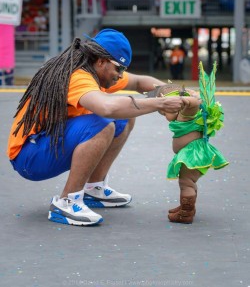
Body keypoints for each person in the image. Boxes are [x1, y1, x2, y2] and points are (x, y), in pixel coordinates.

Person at [7, 28, 186, 227]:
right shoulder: (78, 77)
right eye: (119, 68)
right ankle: (67, 202)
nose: (121, 75)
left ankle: (94, 188)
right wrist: (160, 104)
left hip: (42, 146)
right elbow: (107, 108)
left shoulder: (97, 70)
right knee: (103, 124)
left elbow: (139, 81)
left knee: (124, 118)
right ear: (101, 61)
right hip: (29, 157)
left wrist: (178, 93)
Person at [147, 62, 229, 224]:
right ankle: (187, 207)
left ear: (175, 103)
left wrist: (187, 100)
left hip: (194, 154)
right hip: (192, 153)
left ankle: (186, 213)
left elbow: (195, 103)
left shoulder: (185, 113)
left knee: (186, 182)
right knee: (188, 182)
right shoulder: (180, 114)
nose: (164, 114)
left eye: (165, 110)